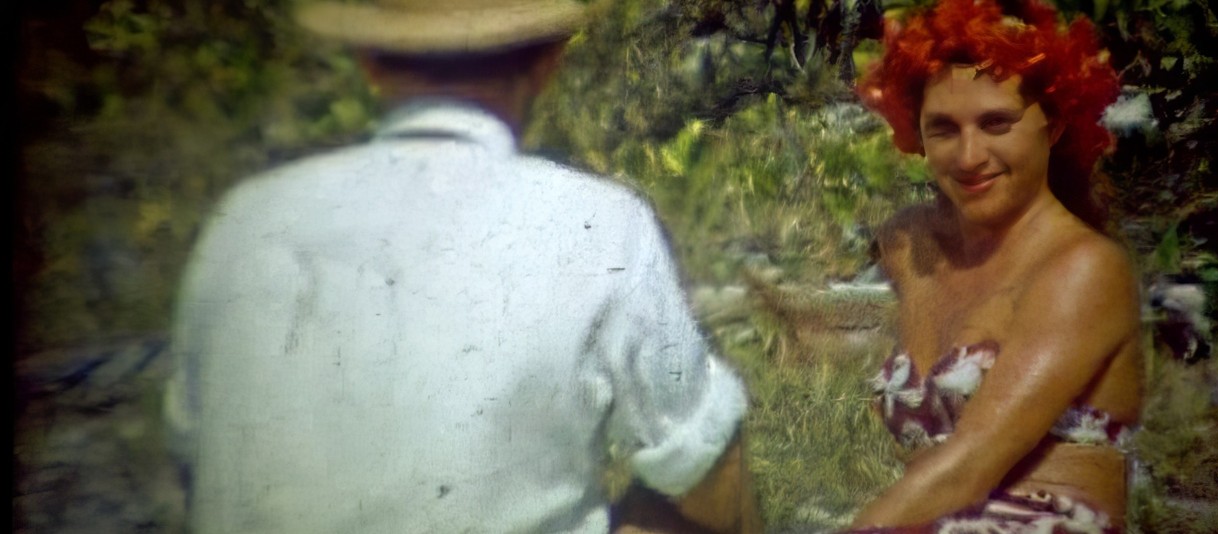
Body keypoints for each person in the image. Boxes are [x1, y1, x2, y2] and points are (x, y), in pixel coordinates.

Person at [162, 1, 761, 532]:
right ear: (549, 61)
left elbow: (195, 458)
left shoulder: (243, 221)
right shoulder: (601, 223)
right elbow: (710, 474)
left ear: (370, 62)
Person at [844, 0, 1143, 532]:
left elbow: (971, 465)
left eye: (996, 123)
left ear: (1053, 127)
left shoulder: (1083, 269)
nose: (969, 156)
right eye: (943, 129)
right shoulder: (909, 244)